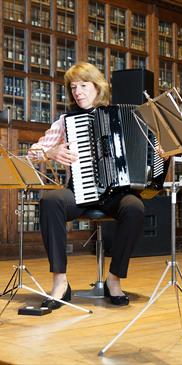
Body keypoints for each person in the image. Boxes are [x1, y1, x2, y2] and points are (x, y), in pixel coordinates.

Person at [29, 62, 145, 309]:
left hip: (116, 193)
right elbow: (32, 153)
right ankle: (60, 282)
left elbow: (147, 151)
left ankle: (114, 279)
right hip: (79, 192)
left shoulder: (124, 116)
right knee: (50, 201)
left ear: (97, 87)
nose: (78, 92)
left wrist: (156, 153)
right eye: (73, 87)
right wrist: (51, 151)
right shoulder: (66, 121)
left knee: (135, 207)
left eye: (83, 85)